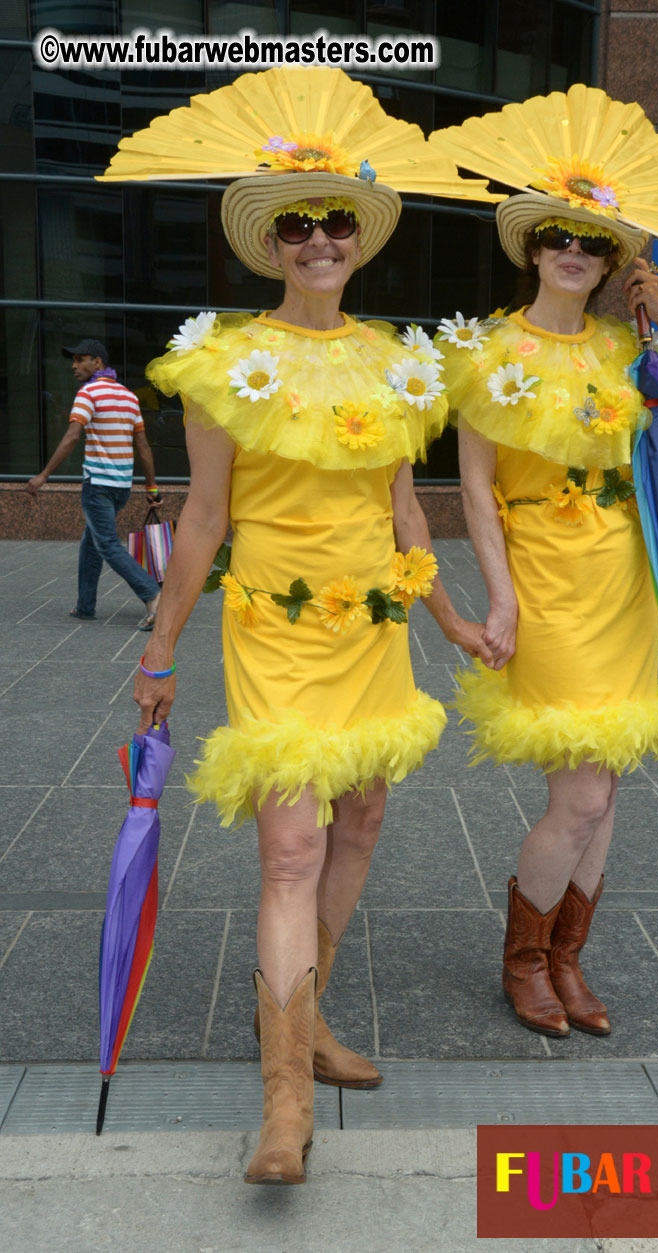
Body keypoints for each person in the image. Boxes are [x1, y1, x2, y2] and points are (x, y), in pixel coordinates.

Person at [108, 68, 494, 1186]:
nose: (317, 238)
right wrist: (161, 647)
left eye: (334, 220)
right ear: (268, 243)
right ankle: (284, 1102)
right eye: (295, 224)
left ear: (359, 237)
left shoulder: (400, 361)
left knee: (363, 813)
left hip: (371, 627)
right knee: (291, 842)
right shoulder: (225, 362)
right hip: (271, 624)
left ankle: (309, 1018)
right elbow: (204, 519)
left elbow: (403, 507)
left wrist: (454, 617)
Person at [433, 88, 658, 1042]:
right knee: (581, 792)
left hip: (622, 585)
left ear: (608, 262)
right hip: (547, 589)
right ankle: (522, 958)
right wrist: (500, 596)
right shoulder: (483, 352)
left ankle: (564, 956)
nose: (574, 251)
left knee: (610, 784)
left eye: (594, 242)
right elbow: (475, 492)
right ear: (531, 245)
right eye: (559, 233)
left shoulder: (619, 348)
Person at [26, 338, 162, 629]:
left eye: (81, 359)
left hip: (98, 485)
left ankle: (153, 597)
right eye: (73, 360)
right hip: (121, 487)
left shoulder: (88, 393)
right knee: (92, 543)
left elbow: (73, 436)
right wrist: (152, 489)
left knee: (108, 545)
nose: (74, 366)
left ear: (97, 363)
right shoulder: (128, 396)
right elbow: (144, 446)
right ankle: (85, 607)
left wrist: (44, 474)